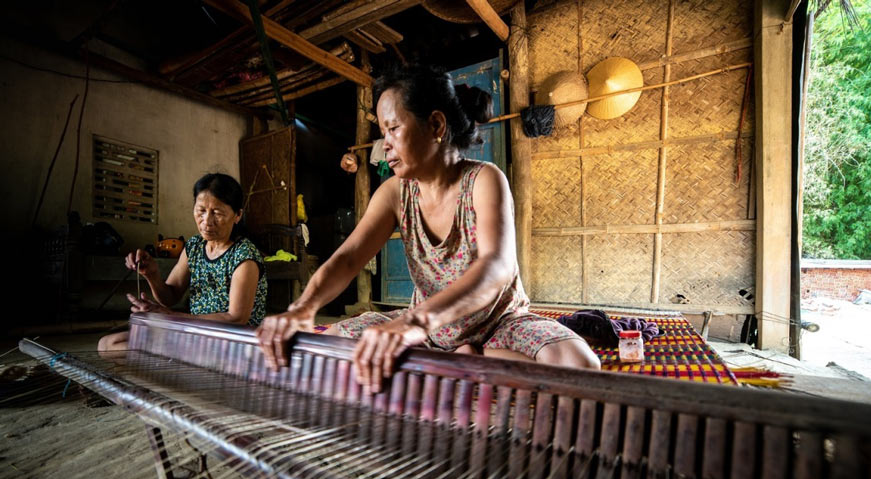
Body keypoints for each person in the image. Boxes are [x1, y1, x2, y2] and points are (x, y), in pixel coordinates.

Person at [256, 64, 599, 390]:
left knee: (577, 364)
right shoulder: (394, 193)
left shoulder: (483, 180)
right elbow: (347, 260)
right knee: (329, 345)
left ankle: (469, 357)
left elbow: (495, 267)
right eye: (381, 133)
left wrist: (414, 323)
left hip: (496, 323)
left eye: (393, 129)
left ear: (435, 126)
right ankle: (456, 360)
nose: (384, 143)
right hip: (429, 331)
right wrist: (302, 308)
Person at [98, 173, 268, 351]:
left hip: (232, 341)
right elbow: (170, 297)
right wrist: (152, 274)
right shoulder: (194, 247)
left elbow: (236, 318)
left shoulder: (244, 256)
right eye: (201, 211)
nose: (207, 221)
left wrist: (171, 316)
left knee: (129, 349)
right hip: (195, 332)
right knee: (109, 344)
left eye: (217, 213)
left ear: (237, 215)